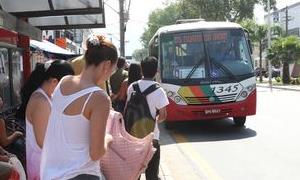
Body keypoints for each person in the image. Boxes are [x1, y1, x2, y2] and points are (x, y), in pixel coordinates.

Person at [40, 35, 117, 180]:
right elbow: (96, 153)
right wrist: (108, 138)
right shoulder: (99, 98)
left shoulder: (64, 82)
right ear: (106, 65)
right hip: (81, 174)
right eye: (112, 71)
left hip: (51, 174)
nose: (109, 76)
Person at [23, 60, 74, 180]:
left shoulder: (46, 97)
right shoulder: (41, 101)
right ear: (54, 82)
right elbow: (43, 141)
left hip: (47, 164)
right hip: (43, 165)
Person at [126, 56, 169, 180]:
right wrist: (152, 122)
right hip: (152, 137)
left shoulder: (132, 87)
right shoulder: (159, 90)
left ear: (141, 71)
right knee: (152, 174)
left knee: (135, 172)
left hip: (133, 136)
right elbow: (163, 115)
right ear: (156, 72)